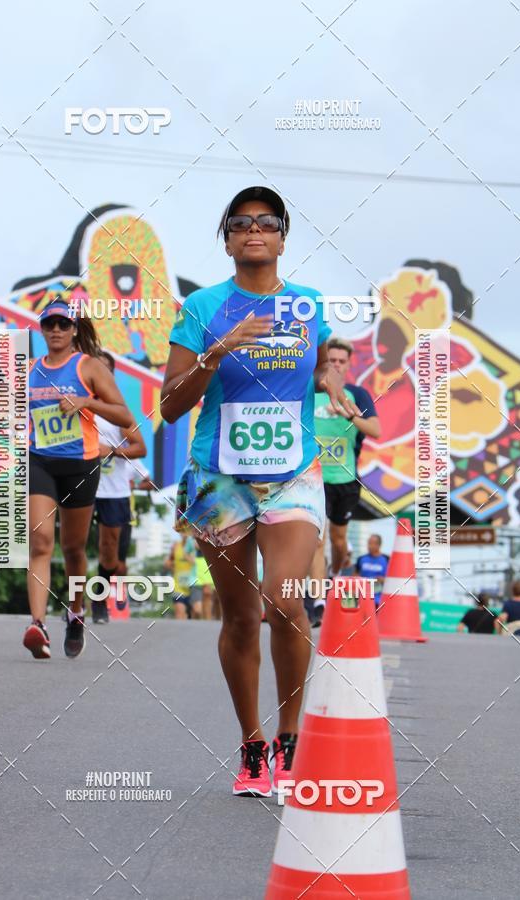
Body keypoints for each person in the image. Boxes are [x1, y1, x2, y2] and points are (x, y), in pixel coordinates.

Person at [160, 185, 357, 797]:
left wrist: (328, 379)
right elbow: (169, 406)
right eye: (241, 223)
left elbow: (321, 358)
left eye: (266, 222)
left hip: (293, 470)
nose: (254, 231)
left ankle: (292, 736)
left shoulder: (306, 305)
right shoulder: (202, 306)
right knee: (242, 618)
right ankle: (252, 744)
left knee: (285, 601)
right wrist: (214, 354)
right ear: (226, 239)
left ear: (281, 237)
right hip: (218, 477)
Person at [24, 300, 132, 660]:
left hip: (80, 464)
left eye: (62, 324)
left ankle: (76, 611)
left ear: (73, 330)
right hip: (40, 461)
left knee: (72, 548)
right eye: (49, 324)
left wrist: (86, 401)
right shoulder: (30, 370)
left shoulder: (89, 367)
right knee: (40, 541)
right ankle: (36, 624)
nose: (56, 330)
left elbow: (123, 414)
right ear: (42, 329)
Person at [309, 337, 380, 626]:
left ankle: (336, 575)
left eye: (341, 361)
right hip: (313, 478)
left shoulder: (357, 395)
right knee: (317, 540)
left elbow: (375, 429)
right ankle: (318, 601)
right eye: (332, 360)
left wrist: (348, 413)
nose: (336, 365)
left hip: (345, 479)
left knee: (339, 542)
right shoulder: (310, 392)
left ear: (349, 365)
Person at [93, 351, 147, 624]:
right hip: (80, 488)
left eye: (105, 370)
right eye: (95, 368)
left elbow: (140, 447)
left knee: (111, 554)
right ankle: (77, 604)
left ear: (112, 376)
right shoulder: (77, 405)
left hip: (113, 492)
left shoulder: (118, 413)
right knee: (72, 544)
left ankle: (100, 595)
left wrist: (110, 451)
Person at [165, 536, 200, 619]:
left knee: (197, 612)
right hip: (179, 587)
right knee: (180, 613)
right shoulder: (176, 546)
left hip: (195, 586)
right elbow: (168, 562)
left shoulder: (197, 546)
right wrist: (170, 566)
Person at [355, 534, 389, 607]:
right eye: (369, 543)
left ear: (378, 545)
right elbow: (354, 578)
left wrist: (381, 580)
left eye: (372, 543)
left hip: (380, 601)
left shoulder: (387, 559)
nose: (369, 546)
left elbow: (392, 580)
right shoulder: (361, 559)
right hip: (363, 600)